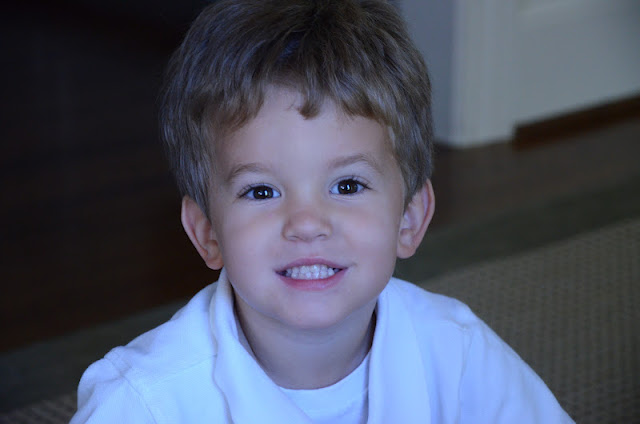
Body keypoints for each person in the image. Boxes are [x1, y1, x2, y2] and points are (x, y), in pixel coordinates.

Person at [71, 1, 574, 422]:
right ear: (207, 233)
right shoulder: (144, 403)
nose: (307, 223)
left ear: (410, 218)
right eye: (261, 191)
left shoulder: (459, 356)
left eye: (347, 185)